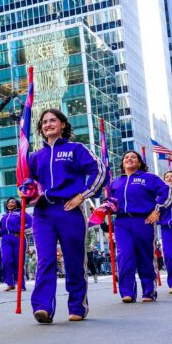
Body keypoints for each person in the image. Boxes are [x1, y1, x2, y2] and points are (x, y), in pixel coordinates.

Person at [24, 108, 106, 324]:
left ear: (62, 125)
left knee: (74, 259)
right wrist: (25, 191)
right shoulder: (35, 157)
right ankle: (42, 307)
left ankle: (77, 306)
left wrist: (83, 195)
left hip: (70, 210)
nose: (48, 124)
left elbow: (100, 170)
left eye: (52, 120)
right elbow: (27, 183)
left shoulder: (75, 149)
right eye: (44, 122)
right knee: (45, 260)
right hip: (43, 213)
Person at [107, 151, 172, 303]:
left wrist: (157, 210)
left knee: (145, 256)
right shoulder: (115, 183)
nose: (129, 159)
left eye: (133, 157)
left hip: (144, 221)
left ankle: (149, 291)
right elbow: (111, 201)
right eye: (126, 157)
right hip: (122, 222)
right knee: (124, 256)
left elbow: (167, 193)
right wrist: (106, 206)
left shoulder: (149, 178)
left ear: (140, 162)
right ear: (122, 163)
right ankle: (127, 292)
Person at [0, 197, 32, 291]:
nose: (9, 204)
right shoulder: (5, 216)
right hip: (6, 239)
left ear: (16, 204)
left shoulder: (21, 213)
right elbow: (2, 231)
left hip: (18, 239)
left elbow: (31, 223)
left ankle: (21, 284)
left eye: (12, 202)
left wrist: (22, 230)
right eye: (8, 202)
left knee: (18, 262)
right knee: (6, 261)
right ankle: (10, 283)